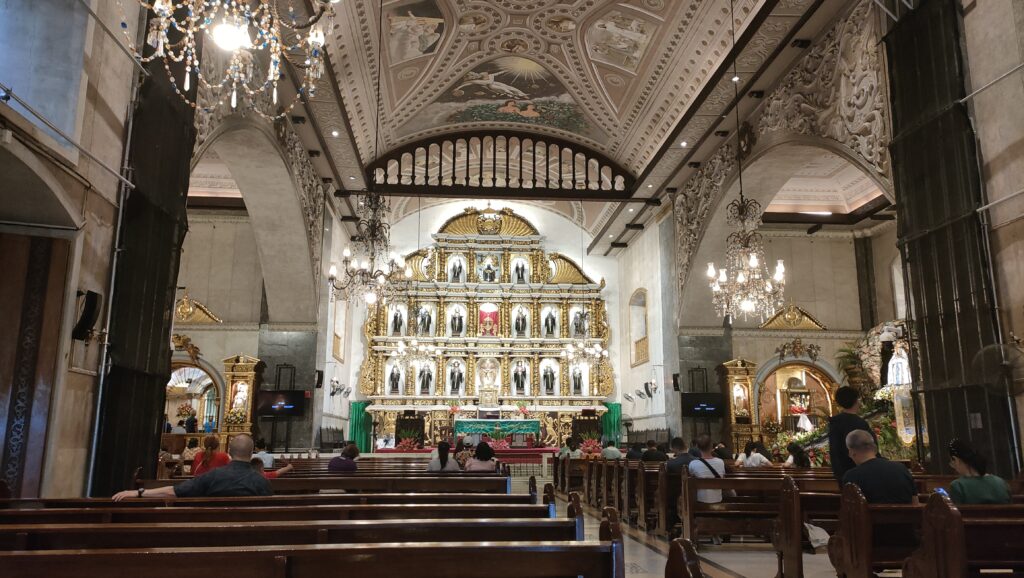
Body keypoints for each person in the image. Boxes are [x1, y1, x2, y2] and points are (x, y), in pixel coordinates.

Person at [113, 434, 272, 500]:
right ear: (251, 453)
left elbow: (175, 491)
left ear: (229, 451)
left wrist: (139, 492)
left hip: (210, 535)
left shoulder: (214, 476)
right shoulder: (262, 482)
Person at [842, 430, 915, 504]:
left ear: (851, 452)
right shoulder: (901, 468)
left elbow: (851, 508)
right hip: (905, 512)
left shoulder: (851, 476)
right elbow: (915, 501)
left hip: (868, 512)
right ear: (875, 448)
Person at [828, 386, 875, 482]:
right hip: (861, 473)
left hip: (841, 472)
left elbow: (834, 451)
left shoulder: (834, 423)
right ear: (856, 401)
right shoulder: (860, 423)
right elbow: (870, 449)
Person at [948, 438, 1011, 505]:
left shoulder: (957, 486)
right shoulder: (1001, 483)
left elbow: (955, 511)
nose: (952, 466)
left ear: (956, 460)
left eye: (951, 462)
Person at [688, 434, 726, 504]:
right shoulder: (720, 462)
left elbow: (690, 482)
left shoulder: (693, 464)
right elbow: (723, 478)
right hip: (718, 501)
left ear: (697, 447)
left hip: (700, 502)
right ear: (711, 446)